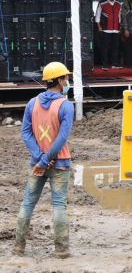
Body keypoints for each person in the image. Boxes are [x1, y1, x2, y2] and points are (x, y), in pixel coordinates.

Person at [14, 62, 74, 258]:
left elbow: (25, 133)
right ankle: (61, 250)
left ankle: (19, 247)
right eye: (65, 78)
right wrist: (47, 159)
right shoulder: (66, 106)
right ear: (58, 80)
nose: (67, 81)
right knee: (59, 205)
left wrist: (39, 158)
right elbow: (62, 138)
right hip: (60, 163)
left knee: (27, 204)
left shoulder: (32, 103)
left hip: (37, 163)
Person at [95, 0, 122, 71]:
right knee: (105, 48)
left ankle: (114, 64)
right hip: (106, 29)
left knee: (115, 47)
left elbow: (120, 16)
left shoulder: (118, 4)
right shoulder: (102, 3)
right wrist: (99, 26)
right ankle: (105, 65)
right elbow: (98, 15)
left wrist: (120, 26)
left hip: (116, 29)